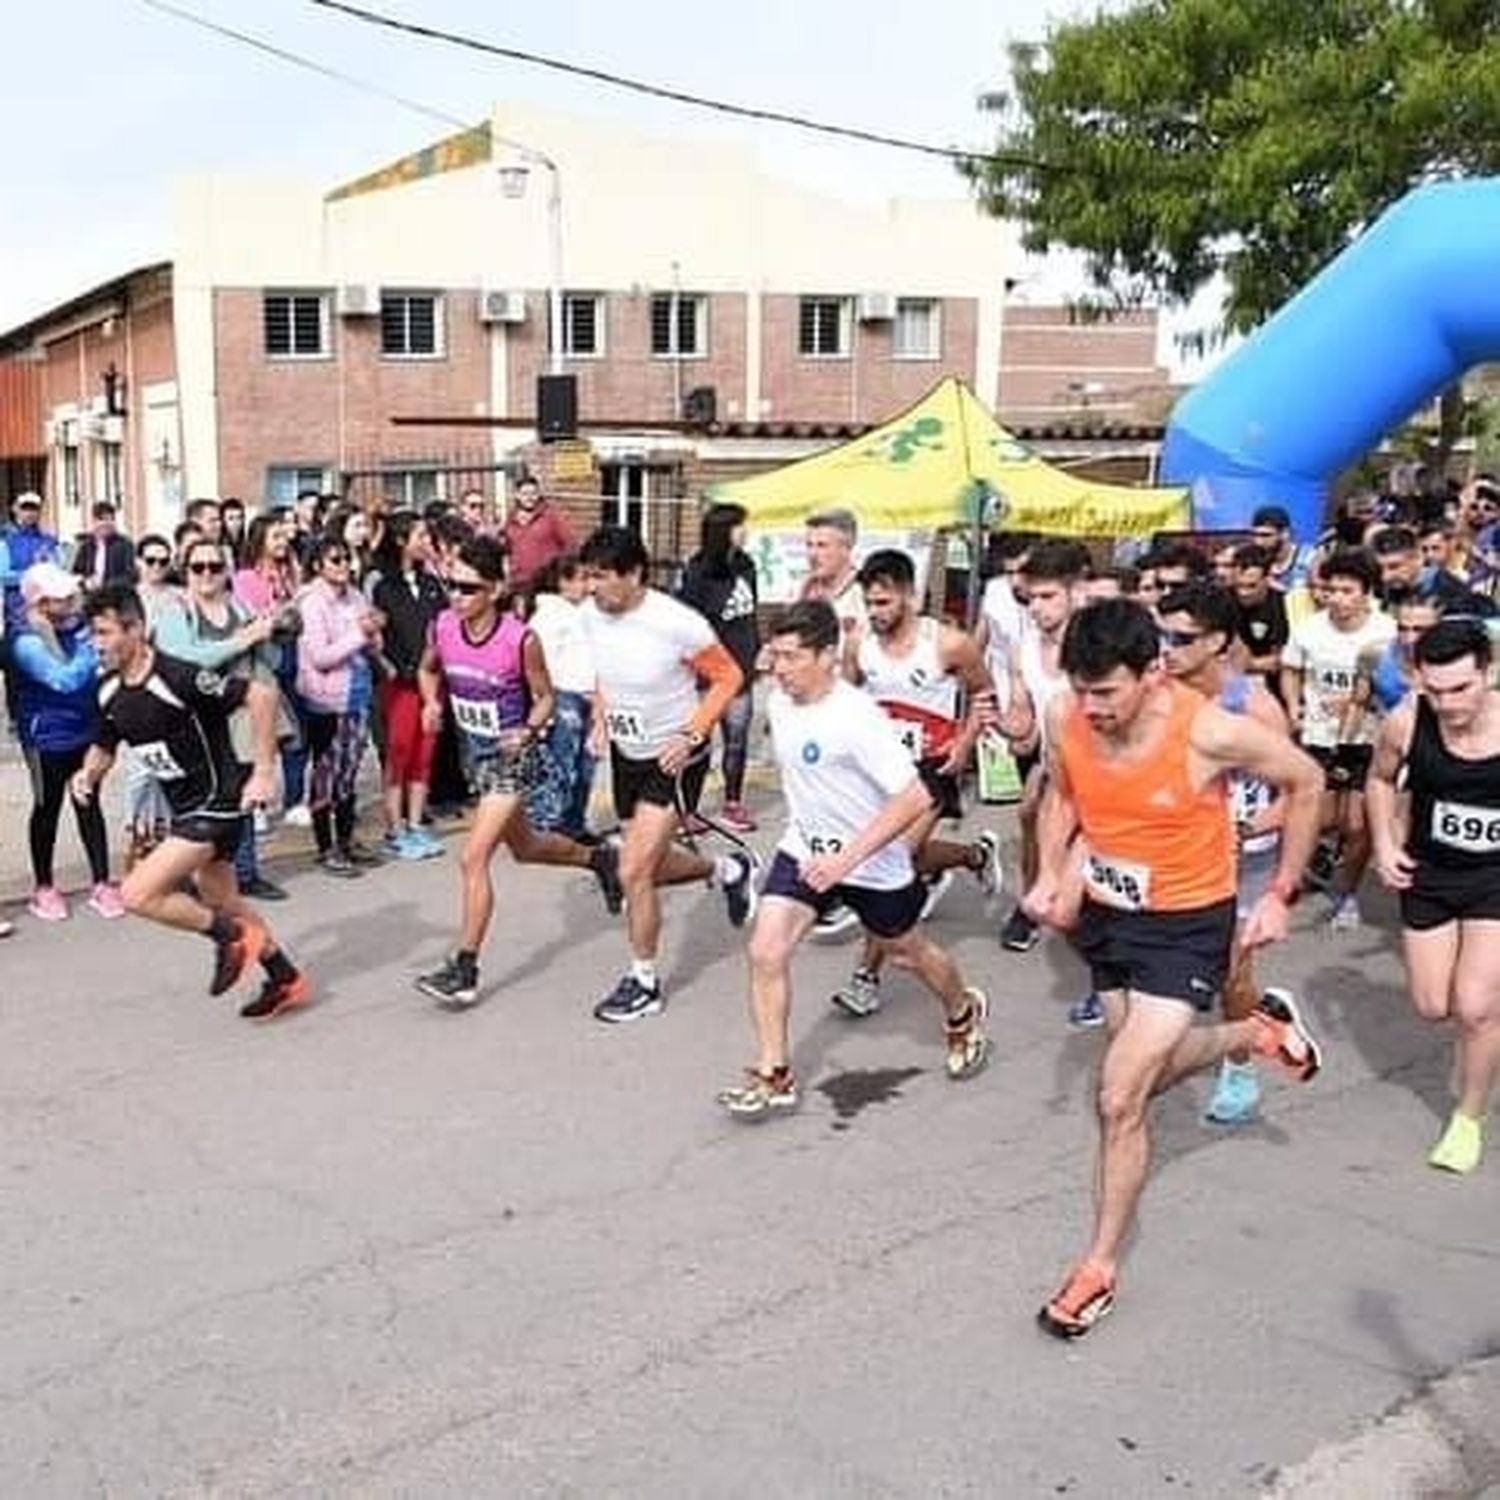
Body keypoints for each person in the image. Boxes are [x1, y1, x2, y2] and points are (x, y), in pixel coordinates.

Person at [1023, 598, 1324, 1339]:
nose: (1091, 708)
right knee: (1144, 1079)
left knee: (1120, 1096)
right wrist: (1055, 869)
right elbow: (1063, 791)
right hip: (1108, 912)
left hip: (1187, 923)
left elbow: (1309, 780)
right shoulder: (1070, 716)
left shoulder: (1209, 732)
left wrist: (1282, 893)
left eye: (1107, 693)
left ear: (1152, 673)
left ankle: (1096, 1269)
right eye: (1082, 691)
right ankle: (1254, 1034)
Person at [718, 600, 991, 1117]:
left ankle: (962, 1010)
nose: (780, 669)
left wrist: (847, 859)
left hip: (870, 861)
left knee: (909, 953)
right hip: (805, 849)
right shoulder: (779, 703)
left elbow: (913, 799)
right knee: (766, 950)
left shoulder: (856, 716)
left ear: (826, 656)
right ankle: (775, 1072)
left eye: (792, 657)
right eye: (775, 656)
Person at [71, 582, 309, 1021]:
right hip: (186, 809)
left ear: (136, 629)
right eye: (92, 634)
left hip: (219, 803)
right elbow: (104, 746)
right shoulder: (107, 690)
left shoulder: (178, 676)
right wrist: (88, 775)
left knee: (137, 894)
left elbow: (261, 695)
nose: (95, 643)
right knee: (224, 900)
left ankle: (229, 937)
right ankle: (284, 977)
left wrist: (261, 771)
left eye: (104, 633)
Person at [413, 537, 624, 1007]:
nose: (456, 596)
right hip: (477, 758)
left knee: (472, 858)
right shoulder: (443, 627)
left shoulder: (519, 639)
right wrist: (431, 701)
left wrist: (527, 730)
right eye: (450, 585)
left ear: (493, 590)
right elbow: (427, 669)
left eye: (467, 588)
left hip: (514, 758)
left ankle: (464, 968)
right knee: (526, 849)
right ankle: (601, 860)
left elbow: (546, 697)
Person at [578, 525, 757, 1022]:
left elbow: (730, 677)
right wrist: (599, 713)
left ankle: (644, 981)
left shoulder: (677, 622)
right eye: (588, 577)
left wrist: (692, 734)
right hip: (626, 753)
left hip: (674, 757)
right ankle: (729, 869)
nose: (592, 587)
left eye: (601, 577)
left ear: (634, 574)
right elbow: (600, 671)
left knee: (634, 870)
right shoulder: (591, 616)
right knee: (648, 864)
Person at [830, 548, 1001, 1017]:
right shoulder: (859, 642)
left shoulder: (949, 644)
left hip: (931, 767)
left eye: (884, 602)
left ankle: (865, 976)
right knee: (905, 855)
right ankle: (972, 856)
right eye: (870, 603)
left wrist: (964, 745)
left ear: (909, 595)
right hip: (881, 768)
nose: (876, 612)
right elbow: (844, 699)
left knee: (887, 862)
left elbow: (984, 695)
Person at [1159, 581, 1298, 1124]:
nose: (1166, 647)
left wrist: (1244, 828)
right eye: (1161, 633)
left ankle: (1240, 1065)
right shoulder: (1157, 694)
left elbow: (1299, 794)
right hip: (1177, 855)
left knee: (1231, 975)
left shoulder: (1255, 706)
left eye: (1180, 636)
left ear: (1217, 640)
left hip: (1245, 860)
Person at [1367, 618, 1500, 1175]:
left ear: (1488, 674)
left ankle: (1469, 1117)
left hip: (1495, 877)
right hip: (1431, 873)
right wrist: (1384, 840)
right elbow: (1378, 779)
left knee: (1475, 1008)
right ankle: (1478, 1046)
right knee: (1433, 1006)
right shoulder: (1405, 721)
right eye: (1435, 690)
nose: (1447, 704)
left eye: (1461, 688)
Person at [154, 537, 287, 902]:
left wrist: (268, 632)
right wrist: (241, 641)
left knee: (243, 794)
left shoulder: (239, 606)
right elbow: (183, 659)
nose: (207, 574)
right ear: (186, 571)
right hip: (197, 722)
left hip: (243, 715)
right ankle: (185, 873)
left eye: (215, 566)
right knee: (199, 801)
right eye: (198, 567)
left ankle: (243, 872)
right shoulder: (176, 611)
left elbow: (271, 661)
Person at [1281, 548, 1395, 928]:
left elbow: (1393, 685)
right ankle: (1298, 873)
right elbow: (1291, 669)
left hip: (1368, 737)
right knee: (1317, 813)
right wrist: (1294, 706)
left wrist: (1358, 703)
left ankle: (1346, 892)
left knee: (1358, 825)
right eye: (1331, 590)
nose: (1337, 599)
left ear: (1366, 592)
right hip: (1318, 734)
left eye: (1347, 591)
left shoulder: (1386, 632)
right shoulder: (1310, 628)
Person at [11, 563, 122, 921]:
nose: (73, 600)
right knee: (48, 808)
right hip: (46, 738)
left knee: (88, 802)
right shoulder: (24, 640)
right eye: (62, 597)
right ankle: (43, 887)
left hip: (85, 732)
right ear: (42, 604)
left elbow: (105, 666)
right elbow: (64, 680)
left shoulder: (78, 629)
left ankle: (102, 883)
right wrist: (92, 651)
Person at [996, 538, 1087, 961]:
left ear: (1077, 592)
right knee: (1030, 814)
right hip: (1056, 771)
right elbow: (1025, 730)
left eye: (1048, 596)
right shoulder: (1023, 650)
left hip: (1106, 775)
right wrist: (998, 721)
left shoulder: (1101, 646)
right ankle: (1031, 903)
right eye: (1031, 598)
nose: (1037, 607)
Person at [296, 535, 384, 876]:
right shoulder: (311, 602)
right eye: (335, 559)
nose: (344, 565)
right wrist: (360, 634)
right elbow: (320, 657)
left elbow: (371, 640)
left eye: (346, 558)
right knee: (325, 772)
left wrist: (374, 633)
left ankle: (346, 839)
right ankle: (325, 845)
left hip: (357, 694)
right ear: (318, 565)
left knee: (349, 772)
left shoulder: (356, 595)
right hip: (326, 700)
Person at [676, 502, 761, 833]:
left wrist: (756, 652)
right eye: (740, 526)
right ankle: (687, 810)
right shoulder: (698, 571)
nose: (746, 532)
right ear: (724, 531)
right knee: (698, 742)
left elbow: (749, 615)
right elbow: (687, 623)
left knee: (737, 740)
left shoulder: (747, 564)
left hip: (742, 669)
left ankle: (732, 804)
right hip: (708, 675)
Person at [370, 511, 447, 859]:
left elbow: (443, 627)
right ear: (402, 541)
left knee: (424, 753)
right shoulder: (384, 586)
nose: (427, 543)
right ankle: (394, 827)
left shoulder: (433, 585)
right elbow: (384, 636)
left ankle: (416, 823)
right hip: (401, 683)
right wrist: (402, 669)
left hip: (432, 682)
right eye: (420, 537)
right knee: (399, 753)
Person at [525, 556, 598, 843]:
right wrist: (543, 704)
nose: (588, 586)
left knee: (586, 765)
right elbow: (538, 665)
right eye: (581, 578)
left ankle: (574, 822)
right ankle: (547, 824)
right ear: (563, 582)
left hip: (590, 695)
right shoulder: (547, 616)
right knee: (560, 765)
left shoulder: (585, 612)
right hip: (563, 694)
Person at [1370, 525, 1494, 618]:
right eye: (1380, 568)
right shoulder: (1391, 590)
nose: (1385, 577)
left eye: (1394, 567)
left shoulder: (1453, 595)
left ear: (1418, 558)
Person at [797, 507, 866, 642]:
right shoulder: (800, 591)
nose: (813, 554)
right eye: (809, 545)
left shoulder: (863, 593)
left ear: (846, 548)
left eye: (822, 545)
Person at [1230, 543, 1290, 696]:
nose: (1243, 593)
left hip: (1272, 689)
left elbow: (1282, 661)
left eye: (1251, 586)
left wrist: (1248, 664)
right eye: (1238, 586)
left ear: (1268, 579)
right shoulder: (1222, 601)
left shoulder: (1282, 605)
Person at [502, 475, 574, 589]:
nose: (529, 498)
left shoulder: (551, 517)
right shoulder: (510, 521)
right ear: (517, 495)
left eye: (533, 493)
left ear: (539, 494)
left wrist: (560, 572)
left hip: (546, 582)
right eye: (525, 494)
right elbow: (506, 551)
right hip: (519, 582)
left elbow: (569, 546)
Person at [1250, 504, 1316, 592]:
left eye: (1266, 535)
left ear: (1285, 533)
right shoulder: (1253, 558)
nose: (1258, 541)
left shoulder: (1309, 558)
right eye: (1255, 535)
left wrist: (1278, 588)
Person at [72, 502, 136, 591]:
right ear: (94, 521)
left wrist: (104, 584)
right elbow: (76, 573)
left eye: (110, 519)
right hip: (90, 595)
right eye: (102, 519)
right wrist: (85, 583)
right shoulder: (86, 546)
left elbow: (130, 575)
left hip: (117, 595)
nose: (106, 523)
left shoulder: (125, 545)